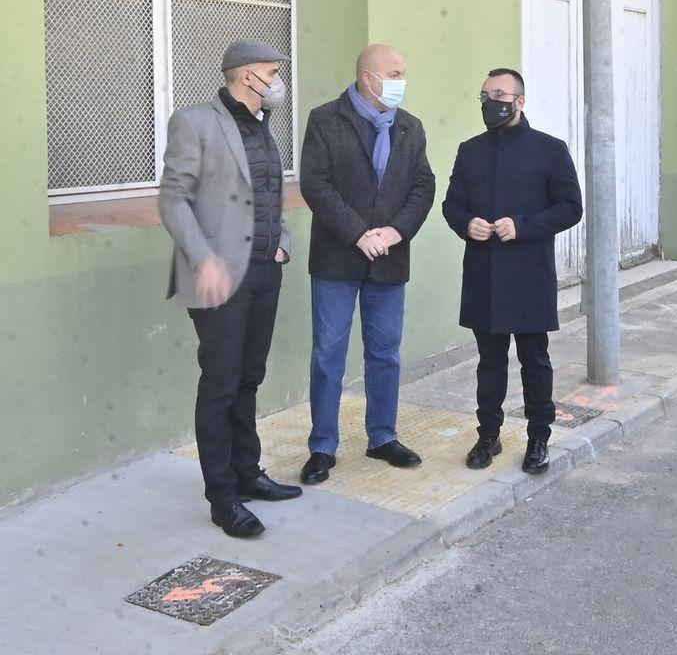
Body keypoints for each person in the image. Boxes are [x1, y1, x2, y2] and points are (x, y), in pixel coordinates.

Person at [159, 39, 301, 538]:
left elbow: (270, 194)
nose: (278, 81)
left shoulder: (264, 124)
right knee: (220, 384)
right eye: (272, 72)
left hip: (265, 270)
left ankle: (247, 474)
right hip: (218, 276)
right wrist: (204, 260)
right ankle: (222, 497)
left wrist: (282, 243)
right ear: (245, 75)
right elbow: (173, 200)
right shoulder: (195, 121)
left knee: (249, 377)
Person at [297, 44, 436, 484]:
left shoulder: (409, 127)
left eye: (403, 73)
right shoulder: (325, 120)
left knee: (385, 353)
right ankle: (322, 446)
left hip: (389, 260)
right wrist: (359, 233)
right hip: (337, 259)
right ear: (367, 77)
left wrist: (396, 231)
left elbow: (423, 185)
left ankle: (382, 437)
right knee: (328, 355)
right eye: (394, 74)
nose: (401, 82)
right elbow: (315, 185)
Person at [442, 68, 582, 475]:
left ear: (519, 101)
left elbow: (570, 208)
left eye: (500, 95)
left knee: (534, 359)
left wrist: (522, 226)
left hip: (529, 274)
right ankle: (488, 434)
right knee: (489, 362)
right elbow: (452, 204)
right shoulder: (470, 150)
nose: (491, 103)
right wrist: (466, 223)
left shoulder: (550, 149)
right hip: (483, 272)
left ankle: (539, 437)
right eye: (485, 96)